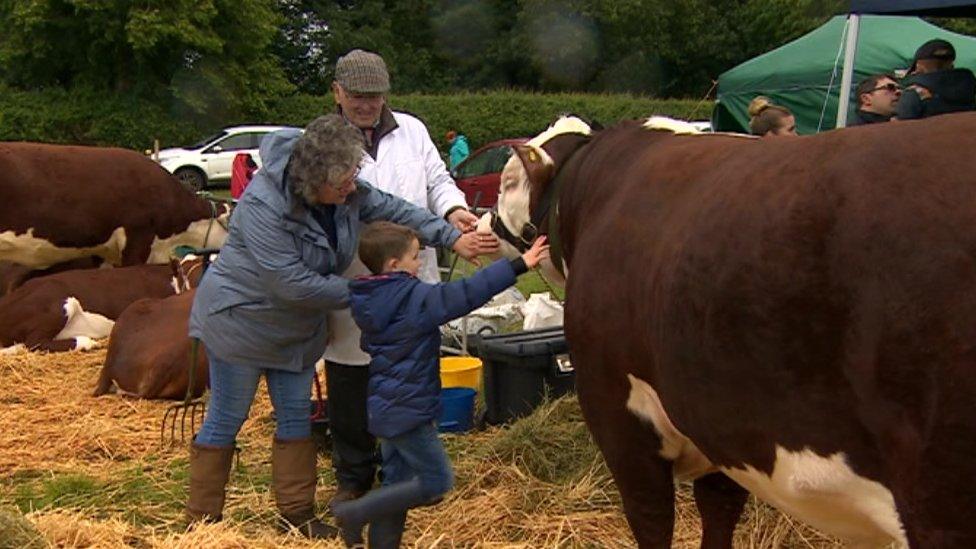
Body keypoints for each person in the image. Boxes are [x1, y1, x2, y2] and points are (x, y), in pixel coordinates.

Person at [183, 115, 493, 539]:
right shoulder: (262, 207)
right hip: (241, 321)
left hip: (295, 328)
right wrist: (376, 292)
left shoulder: (344, 190)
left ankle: (296, 514)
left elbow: (393, 208)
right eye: (344, 181)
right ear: (315, 183)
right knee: (227, 417)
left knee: (294, 416)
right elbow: (291, 283)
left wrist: (448, 234)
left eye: (353, 176)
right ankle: (201, 524)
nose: (353, 187)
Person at [323, 48, 485, 508]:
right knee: (353, 377)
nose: (367, 105)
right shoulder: (327, 140)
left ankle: (407, 471)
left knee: (410, 376)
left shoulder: (412, 129)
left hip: (413, 275)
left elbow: (437, 179)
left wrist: (453, 209)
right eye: (357, 96)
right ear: (337, 92)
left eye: (375, 96)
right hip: (358, 278)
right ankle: (354, 473)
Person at [331, 222, 549, 547]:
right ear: (394, 265)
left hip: (387, 406)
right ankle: (356, 513)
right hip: (410, 411)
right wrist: (519, 264)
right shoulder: (412, 298)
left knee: (397, 483)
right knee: (437, 482)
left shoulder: (372, 296)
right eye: (415, 257)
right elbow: (464, 293)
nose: (419, 264)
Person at [897, 38, 976, 120]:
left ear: (919, 67)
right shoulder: (970, 90)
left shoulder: (915, 93)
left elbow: (904, 129)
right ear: (952, 65)